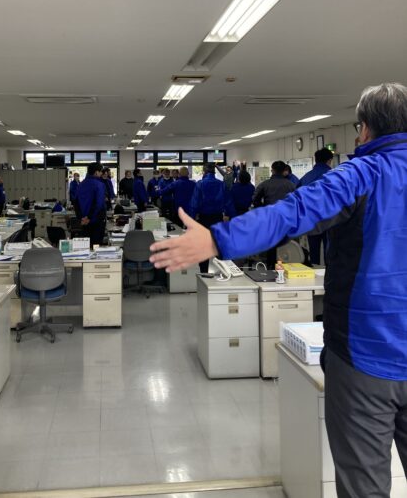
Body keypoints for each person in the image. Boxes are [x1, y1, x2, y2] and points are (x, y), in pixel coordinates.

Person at [150, 82, 407, 498]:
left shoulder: (361, 174)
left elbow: (293, 212)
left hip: (365, 358)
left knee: (365, 486)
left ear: (364, 129)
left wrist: (217, 239)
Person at [252, 161, 295, 268]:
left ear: (273, 170)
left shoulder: (265, 184)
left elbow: (255, 199)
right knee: (286, 245)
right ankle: (285, 268)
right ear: (284, 171)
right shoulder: (291, 185)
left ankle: (271, 268)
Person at [190, 162, 229, 274]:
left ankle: (204, 272)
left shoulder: (200, 184)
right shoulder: (221, 184)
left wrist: (191, 219)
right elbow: (228, 201)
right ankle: (224, 272)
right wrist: (229, 215)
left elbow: (194, 203)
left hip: (204, 219)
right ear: (214, 171)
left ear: (204, 171)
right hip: (218, 218)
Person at [299, 148, 335, 265]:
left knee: (313, 249)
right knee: (329, 249)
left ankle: (314, 270)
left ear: (315, 160)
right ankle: (328, 271)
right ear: (329, 160)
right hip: (330, 218)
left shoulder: (306, 177)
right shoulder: (334, 175)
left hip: (311, 218)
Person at [77, 162, 106, 248]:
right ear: (96, 172)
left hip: (84, 221)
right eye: (101, 172)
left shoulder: (81, 184)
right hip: (96, 220)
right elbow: (98, 204)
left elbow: (76, 202)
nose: (101, 174)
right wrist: (89, 217)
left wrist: (81, 217)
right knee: (96, 246)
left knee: (86, 245)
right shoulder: (99, 184)